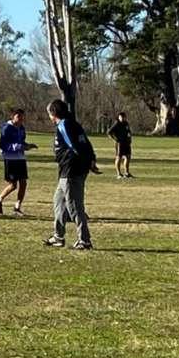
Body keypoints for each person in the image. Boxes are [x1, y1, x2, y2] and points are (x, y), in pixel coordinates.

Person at [45, 99, 100, 249]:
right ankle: (58, 236)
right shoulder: (73, 123)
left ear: (54, 113)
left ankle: (84, 240)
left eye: (49, 114)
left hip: (71, 172)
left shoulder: (64, 125)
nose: (49, 117)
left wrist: (86, 161)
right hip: (66, 172)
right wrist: (91, 160)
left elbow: (77, 147)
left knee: (74, 206)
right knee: (59, 202)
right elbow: (87, 144)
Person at [0, 108, 36, 216]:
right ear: (12, 117)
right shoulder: (7, 128)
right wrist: (16, 147)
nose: (21, 119)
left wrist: (28, 146)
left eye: (22, 117)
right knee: (13, 185)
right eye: (18, 116)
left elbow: (22, 142)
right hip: (10, 158)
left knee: (23, 183)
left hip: (20, 158)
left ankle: (17, 207)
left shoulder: (22, 128)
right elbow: (2, 145)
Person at [108, 111, 134, 179]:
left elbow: (129, 131)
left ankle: (127, 173)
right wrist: (115, 139)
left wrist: (130, 138)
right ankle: (118, 174)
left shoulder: (126, 123)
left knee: (128, 157)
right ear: (119, 117)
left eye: (123, 117)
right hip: (120, 144)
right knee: (119, 157)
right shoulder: (117, 124)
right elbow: (109, 132)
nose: (122, 118)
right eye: (121, 117)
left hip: (126, 143)